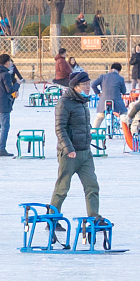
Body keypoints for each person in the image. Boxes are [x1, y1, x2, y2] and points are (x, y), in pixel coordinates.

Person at [50, 71, 99, 219]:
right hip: (69, 154)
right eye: (84, 84)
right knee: (62, 188)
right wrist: (68, 148)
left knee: (92, 186)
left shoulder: (82, 102)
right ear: (75, 86)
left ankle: (94, 217)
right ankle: (52, 218)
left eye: (89, 83)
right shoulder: (64, 103)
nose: (88, 87)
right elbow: (60, 128)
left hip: (85, 153)